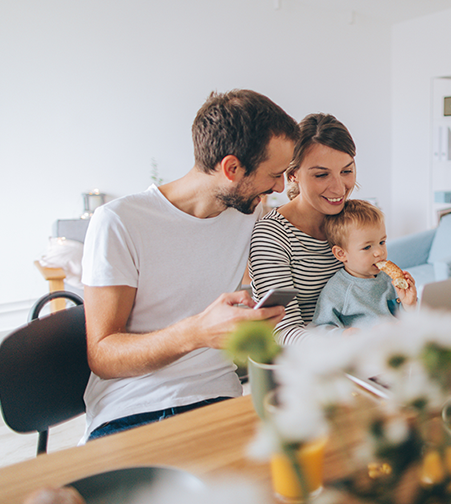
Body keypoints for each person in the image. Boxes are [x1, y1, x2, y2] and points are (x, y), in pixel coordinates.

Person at [80, 89, 300, 441]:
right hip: (134, 409)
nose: (279, 186)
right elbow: (103, 355)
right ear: (231, 168)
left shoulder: (250, 214)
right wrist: (196, 332)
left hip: (219, 401)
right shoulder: (120, 221)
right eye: (274, 174)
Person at [248, 113, 356, 345]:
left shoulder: (354, 221)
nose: (339, 188)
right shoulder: (272, 235)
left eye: (346, 171)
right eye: (321, 175)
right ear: (293, 174)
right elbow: (283, 332)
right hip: (308, 364)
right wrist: (344, 341)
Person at [311, 200, 417, 335]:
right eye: (367, 247)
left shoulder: (388, 279)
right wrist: (343, 335)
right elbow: (320, 328)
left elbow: (406, 319)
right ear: (341, 253)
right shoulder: (338, 289)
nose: (379, 252)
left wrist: (408, 304)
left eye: (382, 242)